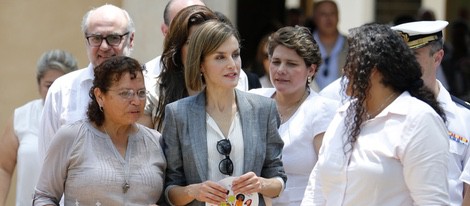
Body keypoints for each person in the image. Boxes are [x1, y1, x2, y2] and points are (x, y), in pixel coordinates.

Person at [301, 23, 450, 205]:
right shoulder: (343, 114)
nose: (344, 70)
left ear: (376, 69)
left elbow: (432, 201)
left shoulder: (418, 120)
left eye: (352, 62)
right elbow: (316, 190)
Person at [163, 20, 286, 206]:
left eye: (235, 55)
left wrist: (261, 183)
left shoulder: (264, 109)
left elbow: (278, 178)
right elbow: (171, 190)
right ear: (201, 64)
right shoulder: (178, 114)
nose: (232, 64)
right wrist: (193, 191)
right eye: (220, 57)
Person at [33, 56, 166, 205]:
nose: (136, 101)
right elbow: (44, 197)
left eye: (141, 93)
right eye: (125, 93)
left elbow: (168, 197)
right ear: (100, 96)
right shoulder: (71, 137)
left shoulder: (157, 142)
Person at [250, 26, 338, 206]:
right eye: (276, 61)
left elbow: (331, 178)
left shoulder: (323, 110)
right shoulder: (253, 99)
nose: (281, 70)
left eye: (291, 63)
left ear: (311, 70)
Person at [39, 4, 135, 162]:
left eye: (113, 38)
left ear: (130, 40)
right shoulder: (62, 90)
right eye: (96, 38)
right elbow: (48, 163)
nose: (104, 47)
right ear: (86, 41)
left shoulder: (148, 90)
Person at [392, 20, 470, 206]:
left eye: (414, 55)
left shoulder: (465, 118)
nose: (405, 64)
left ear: (437, 57)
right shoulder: (383, 111)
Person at [0, 50, 78, 206]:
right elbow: (3, 168)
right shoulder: (21, 117)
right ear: (38, 84)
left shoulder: (83, 118)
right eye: (49, 85)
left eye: (61, 85)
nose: (55, 91)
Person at [144, 0, 205, 81]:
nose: (193, 31)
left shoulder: (223, 75)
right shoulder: (146, 79)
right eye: (182, 26)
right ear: (166, 32)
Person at [311, 0, 348, 90]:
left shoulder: (351, 45)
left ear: (338, 17)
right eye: (323, 14)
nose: (328, 18)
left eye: (332, 13)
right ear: (315, 18)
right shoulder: (304, 44)